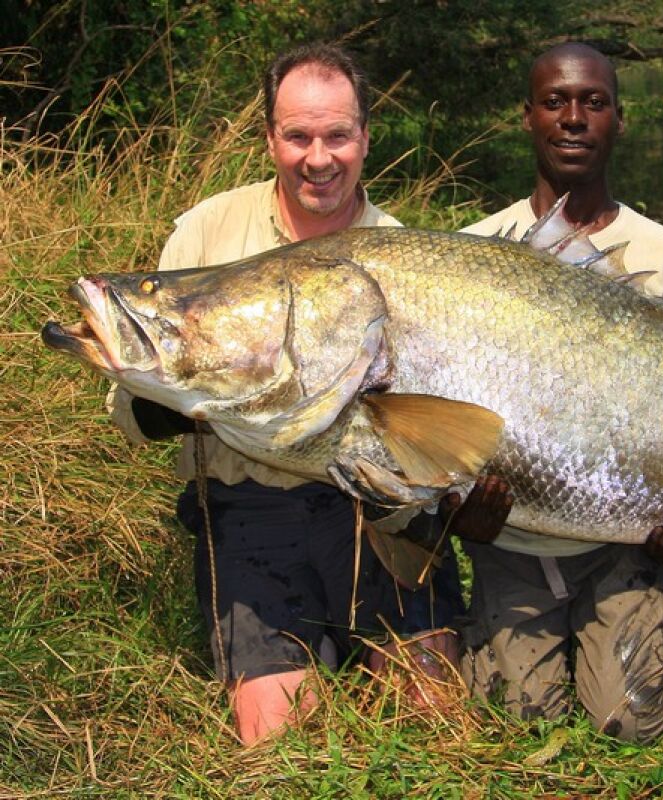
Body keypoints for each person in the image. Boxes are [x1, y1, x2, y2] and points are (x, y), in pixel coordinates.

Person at [109, 43, 464, 746]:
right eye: (298, 136)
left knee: (431, 715)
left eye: (338, 136)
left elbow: (428, 437)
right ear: (270, 138)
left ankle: (372, 639)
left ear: (365, 137)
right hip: (248, 508)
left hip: (368, 513)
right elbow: (131, 416)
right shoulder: (209, 231)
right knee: (277, 740)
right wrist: (195, 394)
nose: (318, 158)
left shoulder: (403, 251)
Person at [450, 42, 663, 743]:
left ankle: (648, 618)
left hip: (628, 545)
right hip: (512, 540)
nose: (573, 118)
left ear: (619, 119)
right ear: (528, 116)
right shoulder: (474, 251)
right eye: (555, 102)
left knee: (631, 723)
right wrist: (459, 514)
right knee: (520, 722)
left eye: (593, 102)